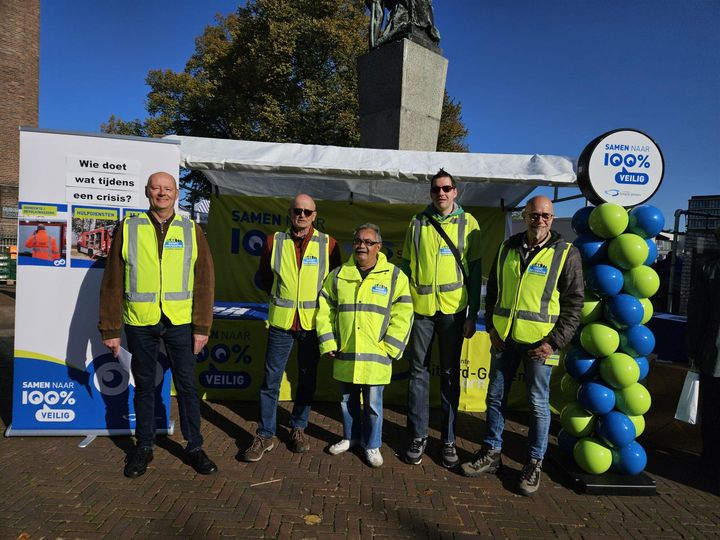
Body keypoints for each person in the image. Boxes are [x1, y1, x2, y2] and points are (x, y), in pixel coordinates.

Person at [460, 195, 583, 496]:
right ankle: (491, 453)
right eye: (534, 215)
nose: (540, 221)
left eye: (546, 216)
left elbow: (574, 303)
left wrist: (554, 342)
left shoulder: (566, 253)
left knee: (538, 405)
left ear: (552, 219)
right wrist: (490, 327)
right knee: (494, 398)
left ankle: (533, 462)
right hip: (504, 340)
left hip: (540, 345)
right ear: (524, 216)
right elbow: (494, 293)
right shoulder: (507, 248)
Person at [98, 171, 217, 478]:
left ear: (176, 194)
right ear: (147, 192)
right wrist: (110, 329)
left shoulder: (192, 229)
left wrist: (202, 327)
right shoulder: (129, 227)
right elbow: (112, 280)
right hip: (140, 320)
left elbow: (204, 281)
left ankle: (194, 447)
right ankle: (145, 446)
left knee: (188, 387)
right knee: (145, 386)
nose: (162, 193)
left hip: (181, 322)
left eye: (168, 189)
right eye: (156, 188)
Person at [242, 194, 341, 461]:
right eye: (297, 210)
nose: (302, 215)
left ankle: (298, 427)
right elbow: (264, 277)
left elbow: (334, 285)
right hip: (281, 323)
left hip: (312, 324)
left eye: (307, 212)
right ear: (290, 212)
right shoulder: (274, 241)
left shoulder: (329, 244)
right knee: (270, 381)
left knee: (306, 380)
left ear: (314, 215)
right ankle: (265, 434)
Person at [402, 169, 482, 468]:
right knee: (417, 375)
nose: (441, 194)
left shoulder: (469, 223)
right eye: (436, 189)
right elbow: (408, 266)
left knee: (449, 376)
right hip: (421, 311)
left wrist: (472, 314)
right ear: (431, 193)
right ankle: (418, 436)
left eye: (447, 188)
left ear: (455, 191)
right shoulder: (417, 222)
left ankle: (447, 439)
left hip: (453, 312)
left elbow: (475, 273)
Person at [317, 224, 413, 467]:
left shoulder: (394, 276)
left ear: (379, 247)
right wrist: (328, 340)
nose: (362, 246)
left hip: (376, 355)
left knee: (373, 405)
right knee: (347, 401)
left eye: (369, 242)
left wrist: (391, 347)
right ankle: (350, 438)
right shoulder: (339, 274)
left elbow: (404, 313)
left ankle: (372, 445)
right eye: (358, 241)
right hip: (346, 351)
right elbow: (325, 308)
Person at [685, 224, 720, 495]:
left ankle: (710, 461)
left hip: (714, 354)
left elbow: (697, 313)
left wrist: (692, 350)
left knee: (712, 412)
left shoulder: (708, 268)